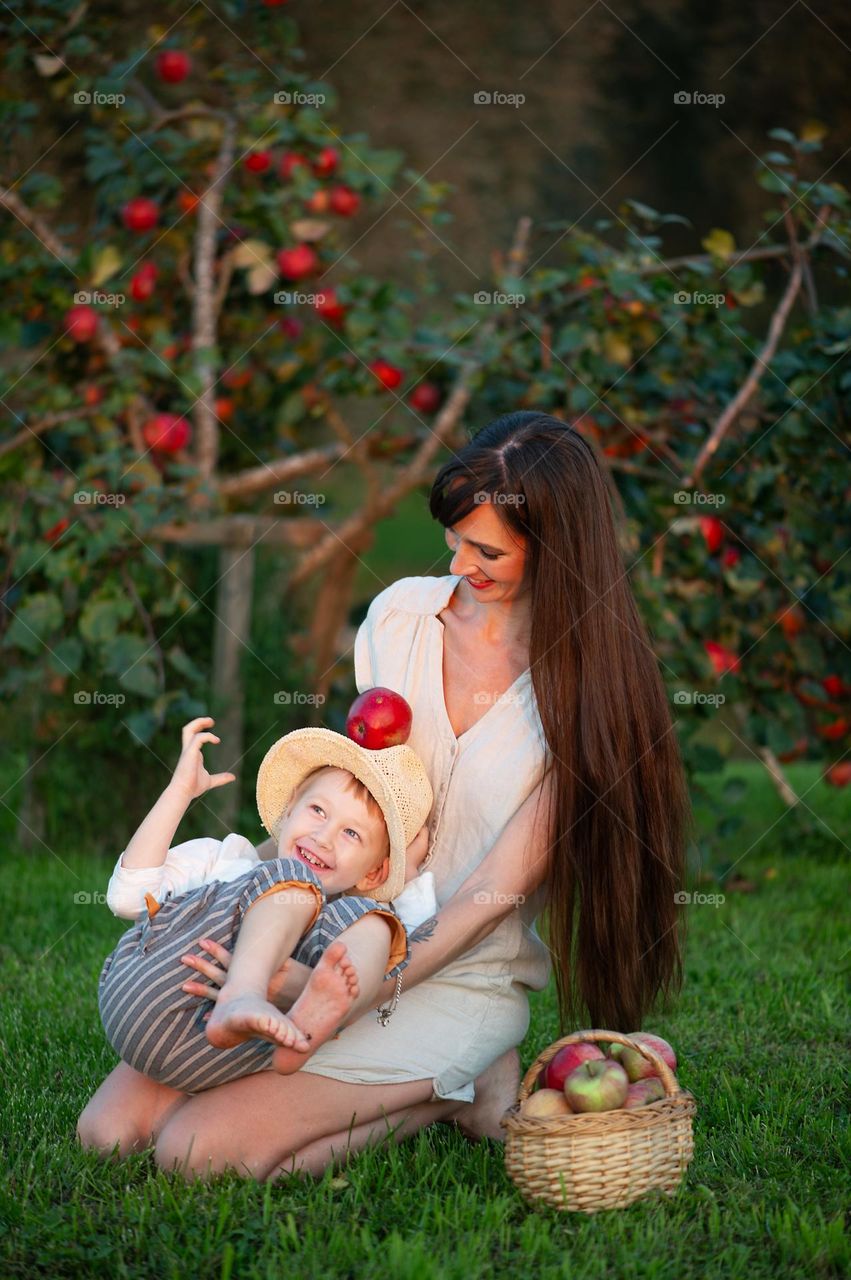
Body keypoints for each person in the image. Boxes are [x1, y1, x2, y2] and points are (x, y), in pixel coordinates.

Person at [77, 410, 691, 1181]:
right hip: (330, 933)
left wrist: (347, 987)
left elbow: (488, 901)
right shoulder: (402, 616)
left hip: (451, 970)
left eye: (487, 549)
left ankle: (452, 1086)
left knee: (194, 1153)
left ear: (559, 551)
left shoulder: (585, 699)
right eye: (454, 538)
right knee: (108, 1132)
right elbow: (350, 799)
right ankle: (425, 1072)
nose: (458, 559)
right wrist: (248, 904)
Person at [97, 716, 438, 1093]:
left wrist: (403, 876)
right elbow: (126, 898)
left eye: (351, 833)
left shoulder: (334, 926)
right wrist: (180, 791)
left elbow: (411, 938)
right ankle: (243, 992)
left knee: (375, 924)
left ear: (372, 874)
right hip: (148, 985)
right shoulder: (229, 859)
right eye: (318, 811)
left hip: (210, 1058)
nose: (324, 838)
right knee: (294, 879)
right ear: (288, 809)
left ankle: (323, 1014)